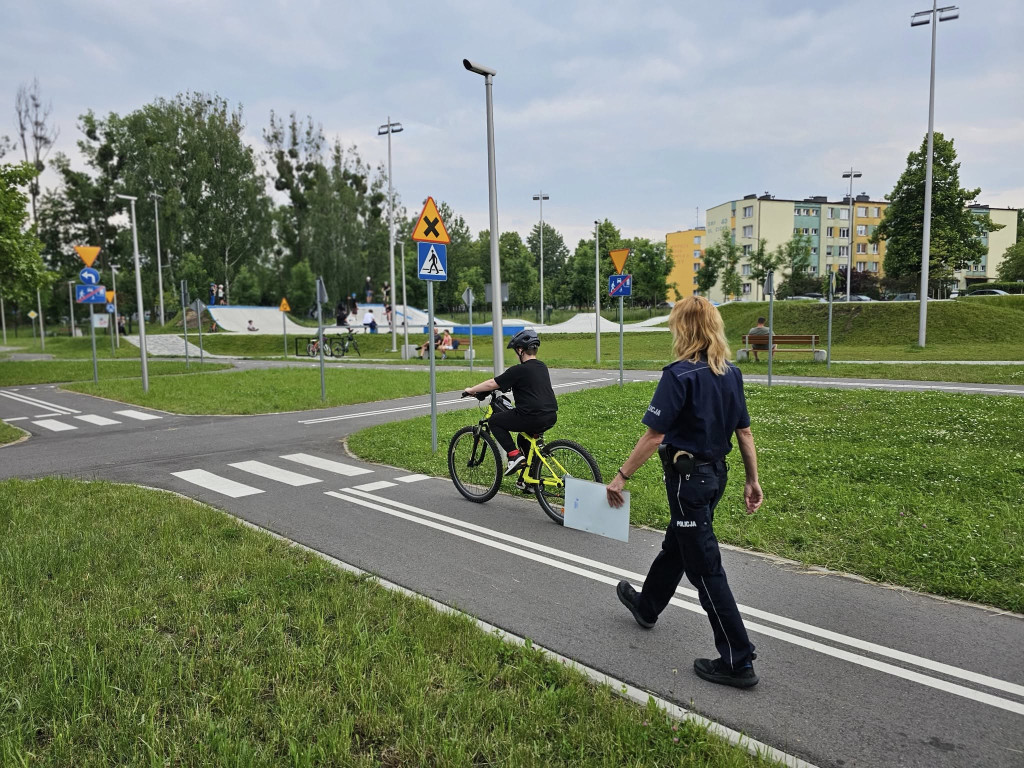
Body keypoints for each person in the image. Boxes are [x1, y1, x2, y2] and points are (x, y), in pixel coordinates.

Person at [606, 296, 764, 689]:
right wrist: (752, 479)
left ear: (684, 328)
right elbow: (744, 432)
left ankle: (738, 660)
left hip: (688, 483)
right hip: (717, 476)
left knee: (705, 568)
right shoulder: (731, 373)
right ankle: (647, 606)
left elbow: (654, 435)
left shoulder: (679, 375)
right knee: (678, 543)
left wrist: (621, 477)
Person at [461, 329, 557, 485]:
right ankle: (529, 480)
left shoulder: (518, 370)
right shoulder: (542, 366)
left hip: (531, 416)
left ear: (520, 350)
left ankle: (514, 455)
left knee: (495, 421)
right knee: (523, 438)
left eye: (516, 351)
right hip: (550, 415)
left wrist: (471, 390)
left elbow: (492, 384)